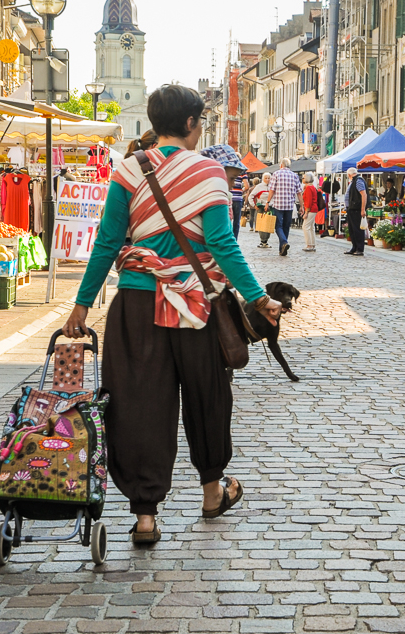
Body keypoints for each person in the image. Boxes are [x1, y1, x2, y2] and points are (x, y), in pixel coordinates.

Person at [62, 84, 282, 545]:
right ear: (190, 124)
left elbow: (107, 242)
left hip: (138, 303)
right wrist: (258, 298)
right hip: (196, 306)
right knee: (207, 397)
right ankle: (210, 493)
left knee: (140, 404)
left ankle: (145, 516)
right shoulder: (209, 173)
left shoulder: (127, 171)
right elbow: (222, 243)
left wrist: (81, 304)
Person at [199, 144, 248, 239]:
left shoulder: (222, 197)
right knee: (236, 223)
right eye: (232, 178)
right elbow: (220, 240)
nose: (233, 184)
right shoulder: (214, 203)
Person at [266, 158, 300, 256]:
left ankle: (284, 242)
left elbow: (272, 190)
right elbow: (299, 192)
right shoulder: (294, 175)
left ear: (281, 165)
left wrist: (267, 202)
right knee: (286, 226)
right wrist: (301, 206)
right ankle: (282, 248)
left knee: (278, 226)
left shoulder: (276, 174)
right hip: (289, 205)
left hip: (278, 204)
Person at [345, 167, 367, 256]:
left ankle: (359, 249)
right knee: (352, 229)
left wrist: (362, 209)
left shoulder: (358, 181)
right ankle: (354, 247)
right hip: (351, 208)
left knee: (358, 229)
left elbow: (363, 194)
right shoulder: (354, 181)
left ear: (349, 175)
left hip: (356, 209)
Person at [249, 173, 272, 247]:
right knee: (261, 224)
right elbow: (251, 196)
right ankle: (262, 241)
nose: (267, 180)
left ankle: (266, 240)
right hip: (261, 207)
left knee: (269, 224)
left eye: (269, 178)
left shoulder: (272, 186)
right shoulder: (259, 187)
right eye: (266, 178)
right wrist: (254, 205)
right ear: (263, 178)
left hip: (269, 208)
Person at [299, 172, 318, 252]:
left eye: (303, 178)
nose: (302, 179)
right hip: (314, 208)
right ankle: (312, 244)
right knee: (311, 227)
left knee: (305, 226)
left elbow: (309, 201)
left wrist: (306, 212)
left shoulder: (309, 188)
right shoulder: (311, 187)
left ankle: (309, 245)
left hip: (311, 209)